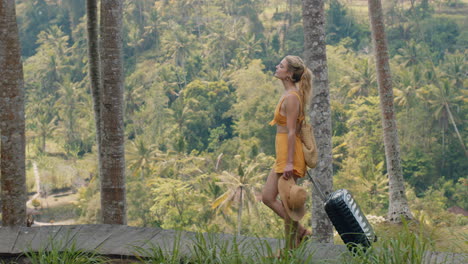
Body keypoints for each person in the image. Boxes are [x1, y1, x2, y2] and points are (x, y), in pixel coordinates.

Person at [261, 55, 312, 249]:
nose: (277, 66)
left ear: (289, 74)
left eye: (281, 66)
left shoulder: (292, 97)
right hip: (283, 155)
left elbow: (292, 132)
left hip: (289, 156)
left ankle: (291, 249)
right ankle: (300, 234)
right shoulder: (290, 94)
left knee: (287, 204)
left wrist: (290, 162)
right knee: (267, 197)